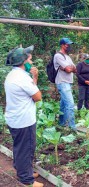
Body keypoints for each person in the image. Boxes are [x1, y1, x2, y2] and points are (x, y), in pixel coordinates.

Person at [5, 46, 43, 187]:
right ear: (23, 61)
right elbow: (37, 96)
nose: (31, 61)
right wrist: (34, 77)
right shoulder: (22, 78)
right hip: (23, 121)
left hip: (15, 118)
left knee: (20, 147)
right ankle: (26, 180)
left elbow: (31, 94)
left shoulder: (13, 75)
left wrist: (33, 77)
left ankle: (24, 170)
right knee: (26, 148)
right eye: (30, 59)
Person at [54, 38, 77, 131]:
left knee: (63, 105)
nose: (69, 46)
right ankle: (72, 127)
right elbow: (68, 69)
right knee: (70, 104)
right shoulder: (58, 56)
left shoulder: (67, 57)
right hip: (62, 82)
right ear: (62, 45)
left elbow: (75, 69)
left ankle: (61, 124)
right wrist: (69, 68)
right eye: (67, 44)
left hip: (68, 82)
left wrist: (69, 68)